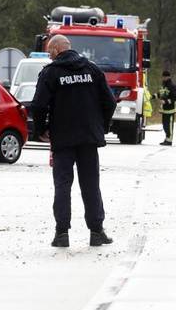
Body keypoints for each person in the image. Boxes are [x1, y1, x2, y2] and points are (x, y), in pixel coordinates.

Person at [30, 35, 117, 248]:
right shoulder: (92, 70)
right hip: (89, 138)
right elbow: (110, 102)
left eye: (50, 51)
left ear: (57, 50)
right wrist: (101, 127)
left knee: (62, 185)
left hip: (62, 139)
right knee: (90, 185)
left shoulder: (51, 73)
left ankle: (62, 234)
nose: (49, 56)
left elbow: (39, 105)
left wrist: (42, 131)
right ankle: (96, 232)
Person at [156, 70, 176, 146]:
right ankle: (166, 139)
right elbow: (160, 94)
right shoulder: (163, 86)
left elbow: (175, 98)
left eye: (165, 77)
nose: (163, 78)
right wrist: (152, 96)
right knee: (164, 125)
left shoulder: (172, 86)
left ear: (168, 77)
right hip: (164, 110)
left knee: (169, 126)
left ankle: (169, 141)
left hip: (170, 110)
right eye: (163, 77)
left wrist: (165, 102)